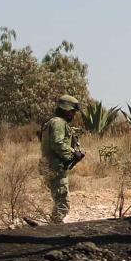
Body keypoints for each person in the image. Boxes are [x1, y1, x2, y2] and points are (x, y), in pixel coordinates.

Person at [40, 94, 84, 223]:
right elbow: (57, 143)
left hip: (53, 166)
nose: (73, 115)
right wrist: (73, 153)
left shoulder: (53, 122)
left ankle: (52, 227)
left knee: (59, 202)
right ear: (66, 109)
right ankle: (53, 230)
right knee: (62, 204)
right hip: (55, 168)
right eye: (72, 112)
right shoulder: (58, 123)